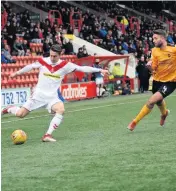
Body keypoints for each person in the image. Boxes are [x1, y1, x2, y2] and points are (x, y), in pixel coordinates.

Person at [2, 44, 109, 142]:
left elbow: (82, 68)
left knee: (61, 109)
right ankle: (7, 109)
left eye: (55, 56)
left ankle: (47, 135)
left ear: (60, 55)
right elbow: (30, 67)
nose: (52, 58)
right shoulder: (43, 61)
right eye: (51, 55)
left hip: (52, 97)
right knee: (20, 114)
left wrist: (99, 70)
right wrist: (17, 73)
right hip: (38, 94)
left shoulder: (65, 65)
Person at [127, 29, 176, 131]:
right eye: (153, 38)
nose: (153, 40)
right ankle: (164, 113)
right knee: (159, 101)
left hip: (170, 82)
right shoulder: (154, 51)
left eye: (155, 38)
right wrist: (149, 67)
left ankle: (135, 121)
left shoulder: (173, 49)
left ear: (162, 38)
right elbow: (153, 69)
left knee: (151, 101)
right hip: (157, 80)